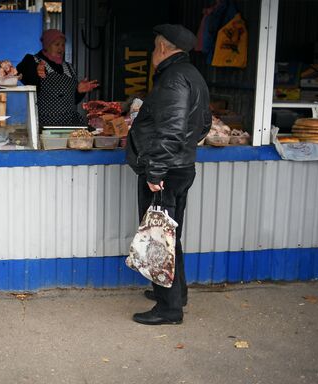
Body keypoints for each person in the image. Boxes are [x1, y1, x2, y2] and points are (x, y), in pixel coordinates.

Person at [126, 24, 212, 325]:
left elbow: (172, 129)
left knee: (159, 239)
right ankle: (177, 293)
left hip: (165, 171)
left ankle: (168, 309)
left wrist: (156, 169)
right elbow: (203, 125)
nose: (152, 53)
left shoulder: (173, 79)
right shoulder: (191, 75)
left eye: (153, 47)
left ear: (163, 48)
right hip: (181, 167)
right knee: (170, 235)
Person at [16, 29, 99, 127]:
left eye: (63, 45)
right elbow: (22, 75)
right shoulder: (33, 61)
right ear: (47, 45)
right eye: (57, 44)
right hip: (45, 126)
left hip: (70, 124)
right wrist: (34, 71)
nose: (61, 48)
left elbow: (71, 101)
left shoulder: (69, 67)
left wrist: (79, 91)